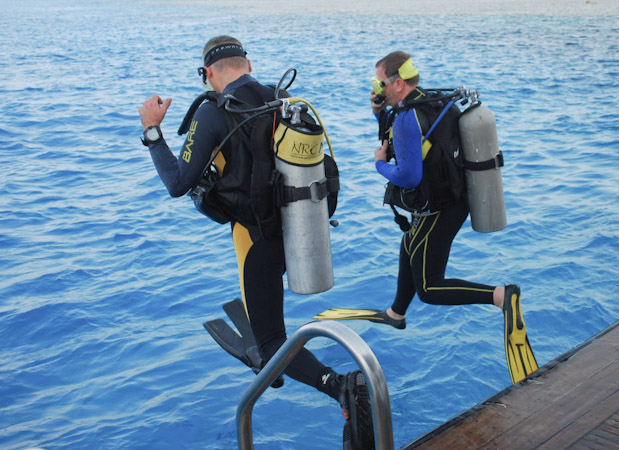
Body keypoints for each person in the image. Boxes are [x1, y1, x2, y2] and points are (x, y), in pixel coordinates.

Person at [137, 36, 374, 448]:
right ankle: (274, 363)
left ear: (207, 73)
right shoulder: (283, 100)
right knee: (267, 329)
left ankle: (339, 387)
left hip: (257, 239)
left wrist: (152, 131)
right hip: (301, 228)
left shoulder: (213, 112)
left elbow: (178, 183)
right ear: (247, 64)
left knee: (271, 340)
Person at [315, 51, 537, 384]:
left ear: (398, 83)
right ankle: (396, 313)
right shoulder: (430, 102)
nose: (376, 89)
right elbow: (405, 142)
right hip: (453, 197)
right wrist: (379, 113)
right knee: (409, 244)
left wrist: (379, 164)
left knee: (430, 287)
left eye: (379, 83)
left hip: (439, 208)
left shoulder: (407, 117)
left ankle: (502, 296)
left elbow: (408, 176)